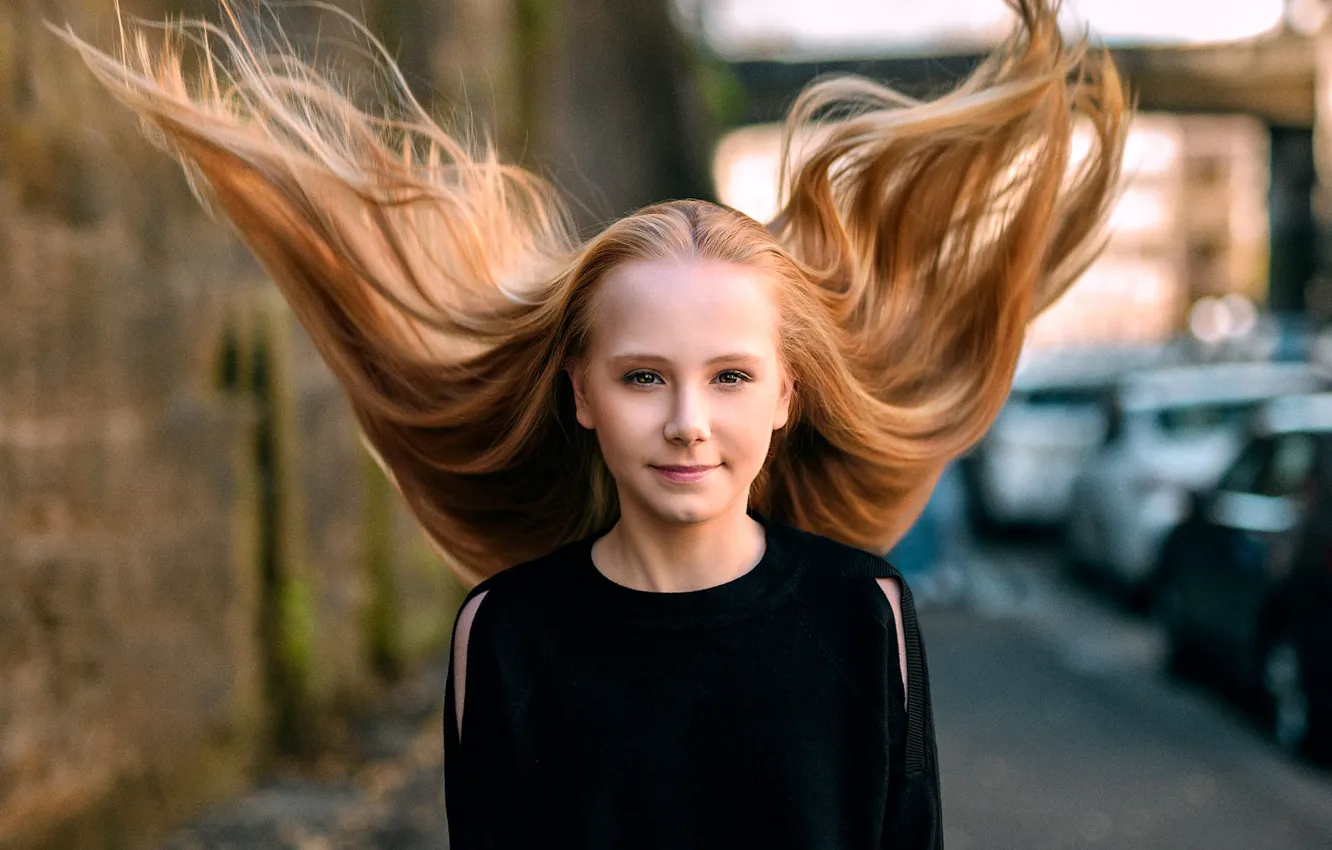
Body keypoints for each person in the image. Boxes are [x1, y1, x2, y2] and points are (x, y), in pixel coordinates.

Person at [57, 0, 1128, 846]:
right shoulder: (507, 635)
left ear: (788, 395)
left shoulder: (866, 616)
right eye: (645, 377)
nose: (689, 423)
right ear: (580, 391)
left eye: (732, 377)